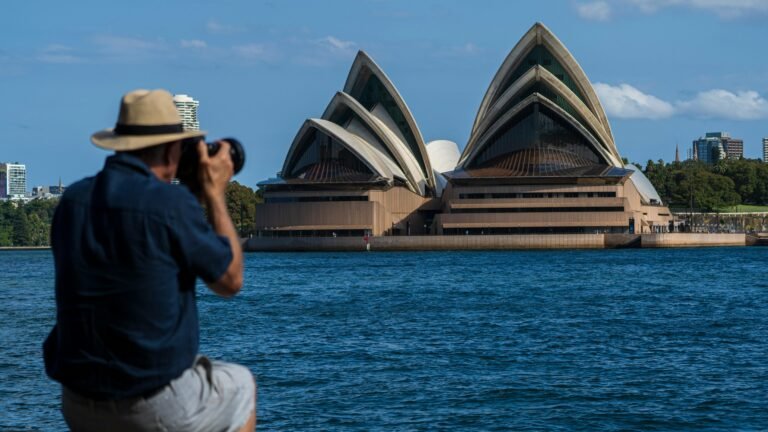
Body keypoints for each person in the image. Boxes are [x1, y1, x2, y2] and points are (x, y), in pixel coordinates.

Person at [43, 89, 256, 431]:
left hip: (77, 399)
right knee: (242, 384)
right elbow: (230, 280)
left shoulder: (73, 201)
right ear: (173, 148)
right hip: (151, 402)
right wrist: (214, 194)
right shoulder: (169, 205)